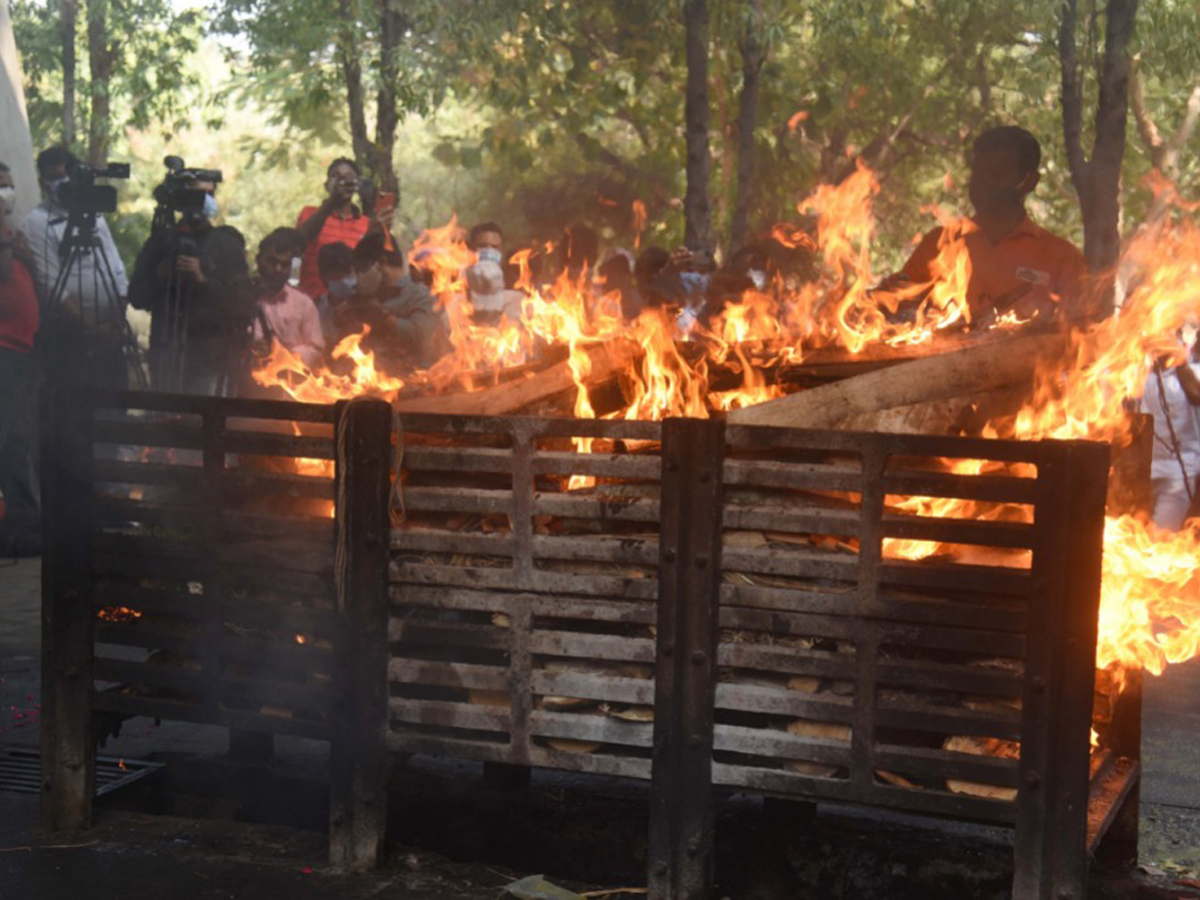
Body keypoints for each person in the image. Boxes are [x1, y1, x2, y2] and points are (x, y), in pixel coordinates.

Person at [886, 126, 1088, 329]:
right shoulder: (940, 244)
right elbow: (899, 309)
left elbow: (1080, 341)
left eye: (997, 173)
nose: (985, 183)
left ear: (1030, 182)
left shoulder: (1062, 259)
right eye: (978, 172)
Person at [18, 146, 129, 388]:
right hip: (69, 340)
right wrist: (94, 328)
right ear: (42, 183)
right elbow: (52, 287)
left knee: (116, 410)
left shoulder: (95, 216)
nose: (63, 183)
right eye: (55, 178)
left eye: (67, 176)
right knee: (73, 415)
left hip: (112, 336)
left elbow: (117, 269)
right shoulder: (36, 223)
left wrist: (119, 320)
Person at [128, 170, 228, 390]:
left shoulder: (225, 242)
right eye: (197, 195)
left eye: (210, 194)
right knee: (164, 418)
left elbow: (236, 302)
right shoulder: (161, 242)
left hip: (205, 357)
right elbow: (137, 296)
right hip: (165, 354)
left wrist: (202, 280)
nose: (204, 201)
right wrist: (159, 276)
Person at [0, 162, 41, 556]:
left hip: (24, 353)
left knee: (23, 438)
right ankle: (22, 528)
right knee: (13, 440)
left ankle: (24, 520)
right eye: (0, 189)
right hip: (4, 354)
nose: (8, 195)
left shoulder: (12, 235)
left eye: (9, 188)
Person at [296, 158, 389, 300]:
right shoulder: (310, 214)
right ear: (327, 186)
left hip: (350, 308)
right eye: (336, 176)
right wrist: (332, 201)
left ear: (356, 185)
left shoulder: (366, 223)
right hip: (311, 304)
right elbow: (300, 241)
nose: (343, 182)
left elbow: (365, 268)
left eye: (349, 178)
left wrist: (373, 233)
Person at [1141, 343, 1200, 531]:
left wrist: (1181, 365)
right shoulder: (1133, 372)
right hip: (1141, 475)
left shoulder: (1192, 372)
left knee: (1159, 542)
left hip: (1177, 477)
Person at [250, 227, 324, 370]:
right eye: (272, 262)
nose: (278, 269)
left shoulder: (303, 304)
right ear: (258, 260)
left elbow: (315, 349)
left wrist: (279, 355)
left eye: (284, 265)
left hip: (286, 384)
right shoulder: (242, 298)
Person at [314, 241, 357, 349]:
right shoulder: (315, 308)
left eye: (349, 273)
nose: (346, 279)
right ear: (324, 277)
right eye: (339, 273)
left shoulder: (362, 307)